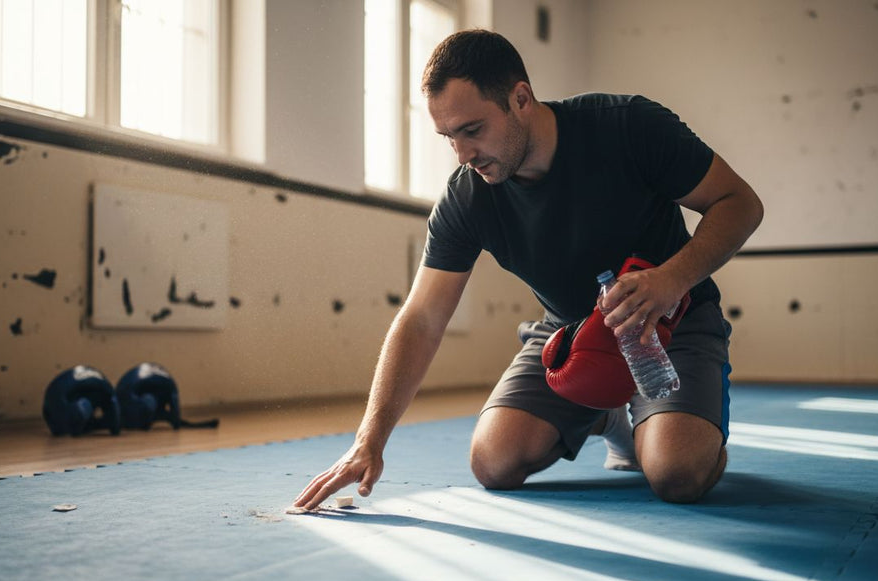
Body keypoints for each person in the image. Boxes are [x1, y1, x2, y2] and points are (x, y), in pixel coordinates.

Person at [294, 29, 762, 508]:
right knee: (494, 463)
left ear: (521, 98)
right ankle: (609, 417)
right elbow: (422, 318)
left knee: (675, 474)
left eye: (472, 130)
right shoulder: (467, 198)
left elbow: (740, 203)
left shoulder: (628, 126)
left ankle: (684, 431)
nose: (463, 155)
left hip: (669, 321)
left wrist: (671, 279)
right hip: (569, 334)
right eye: (448, 137)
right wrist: (369, 438)